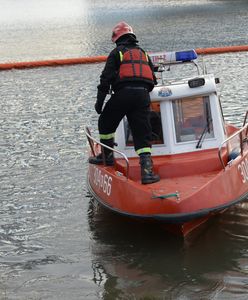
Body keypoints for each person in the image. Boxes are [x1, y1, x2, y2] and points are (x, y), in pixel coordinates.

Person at [89, 21, 160, 184]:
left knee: (105, 121)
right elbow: (153, 80)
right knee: (142, 133)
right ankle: (147, 173)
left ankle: (106, 156)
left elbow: (105, 79)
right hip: (142, 96)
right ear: (132, 36)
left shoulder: (116, 53)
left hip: (123, 94)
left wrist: (99, 103)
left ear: (117, 39)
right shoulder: (143, 53)